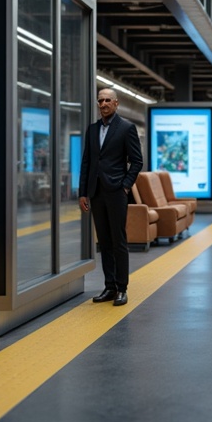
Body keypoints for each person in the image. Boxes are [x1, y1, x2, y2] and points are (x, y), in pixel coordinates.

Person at [78, 88, 142, 306]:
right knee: (104, 242)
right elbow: (86, 162)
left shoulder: (126, 128)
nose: (103, 104)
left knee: (118, 241)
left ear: (116, 103)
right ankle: (110, 286)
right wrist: (83, 192)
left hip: (116, 192)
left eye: (107, 100)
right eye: (100, 101)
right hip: (96, 193)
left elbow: (137, 161)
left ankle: (122, 288)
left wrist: (125, 186)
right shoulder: (92, 129)